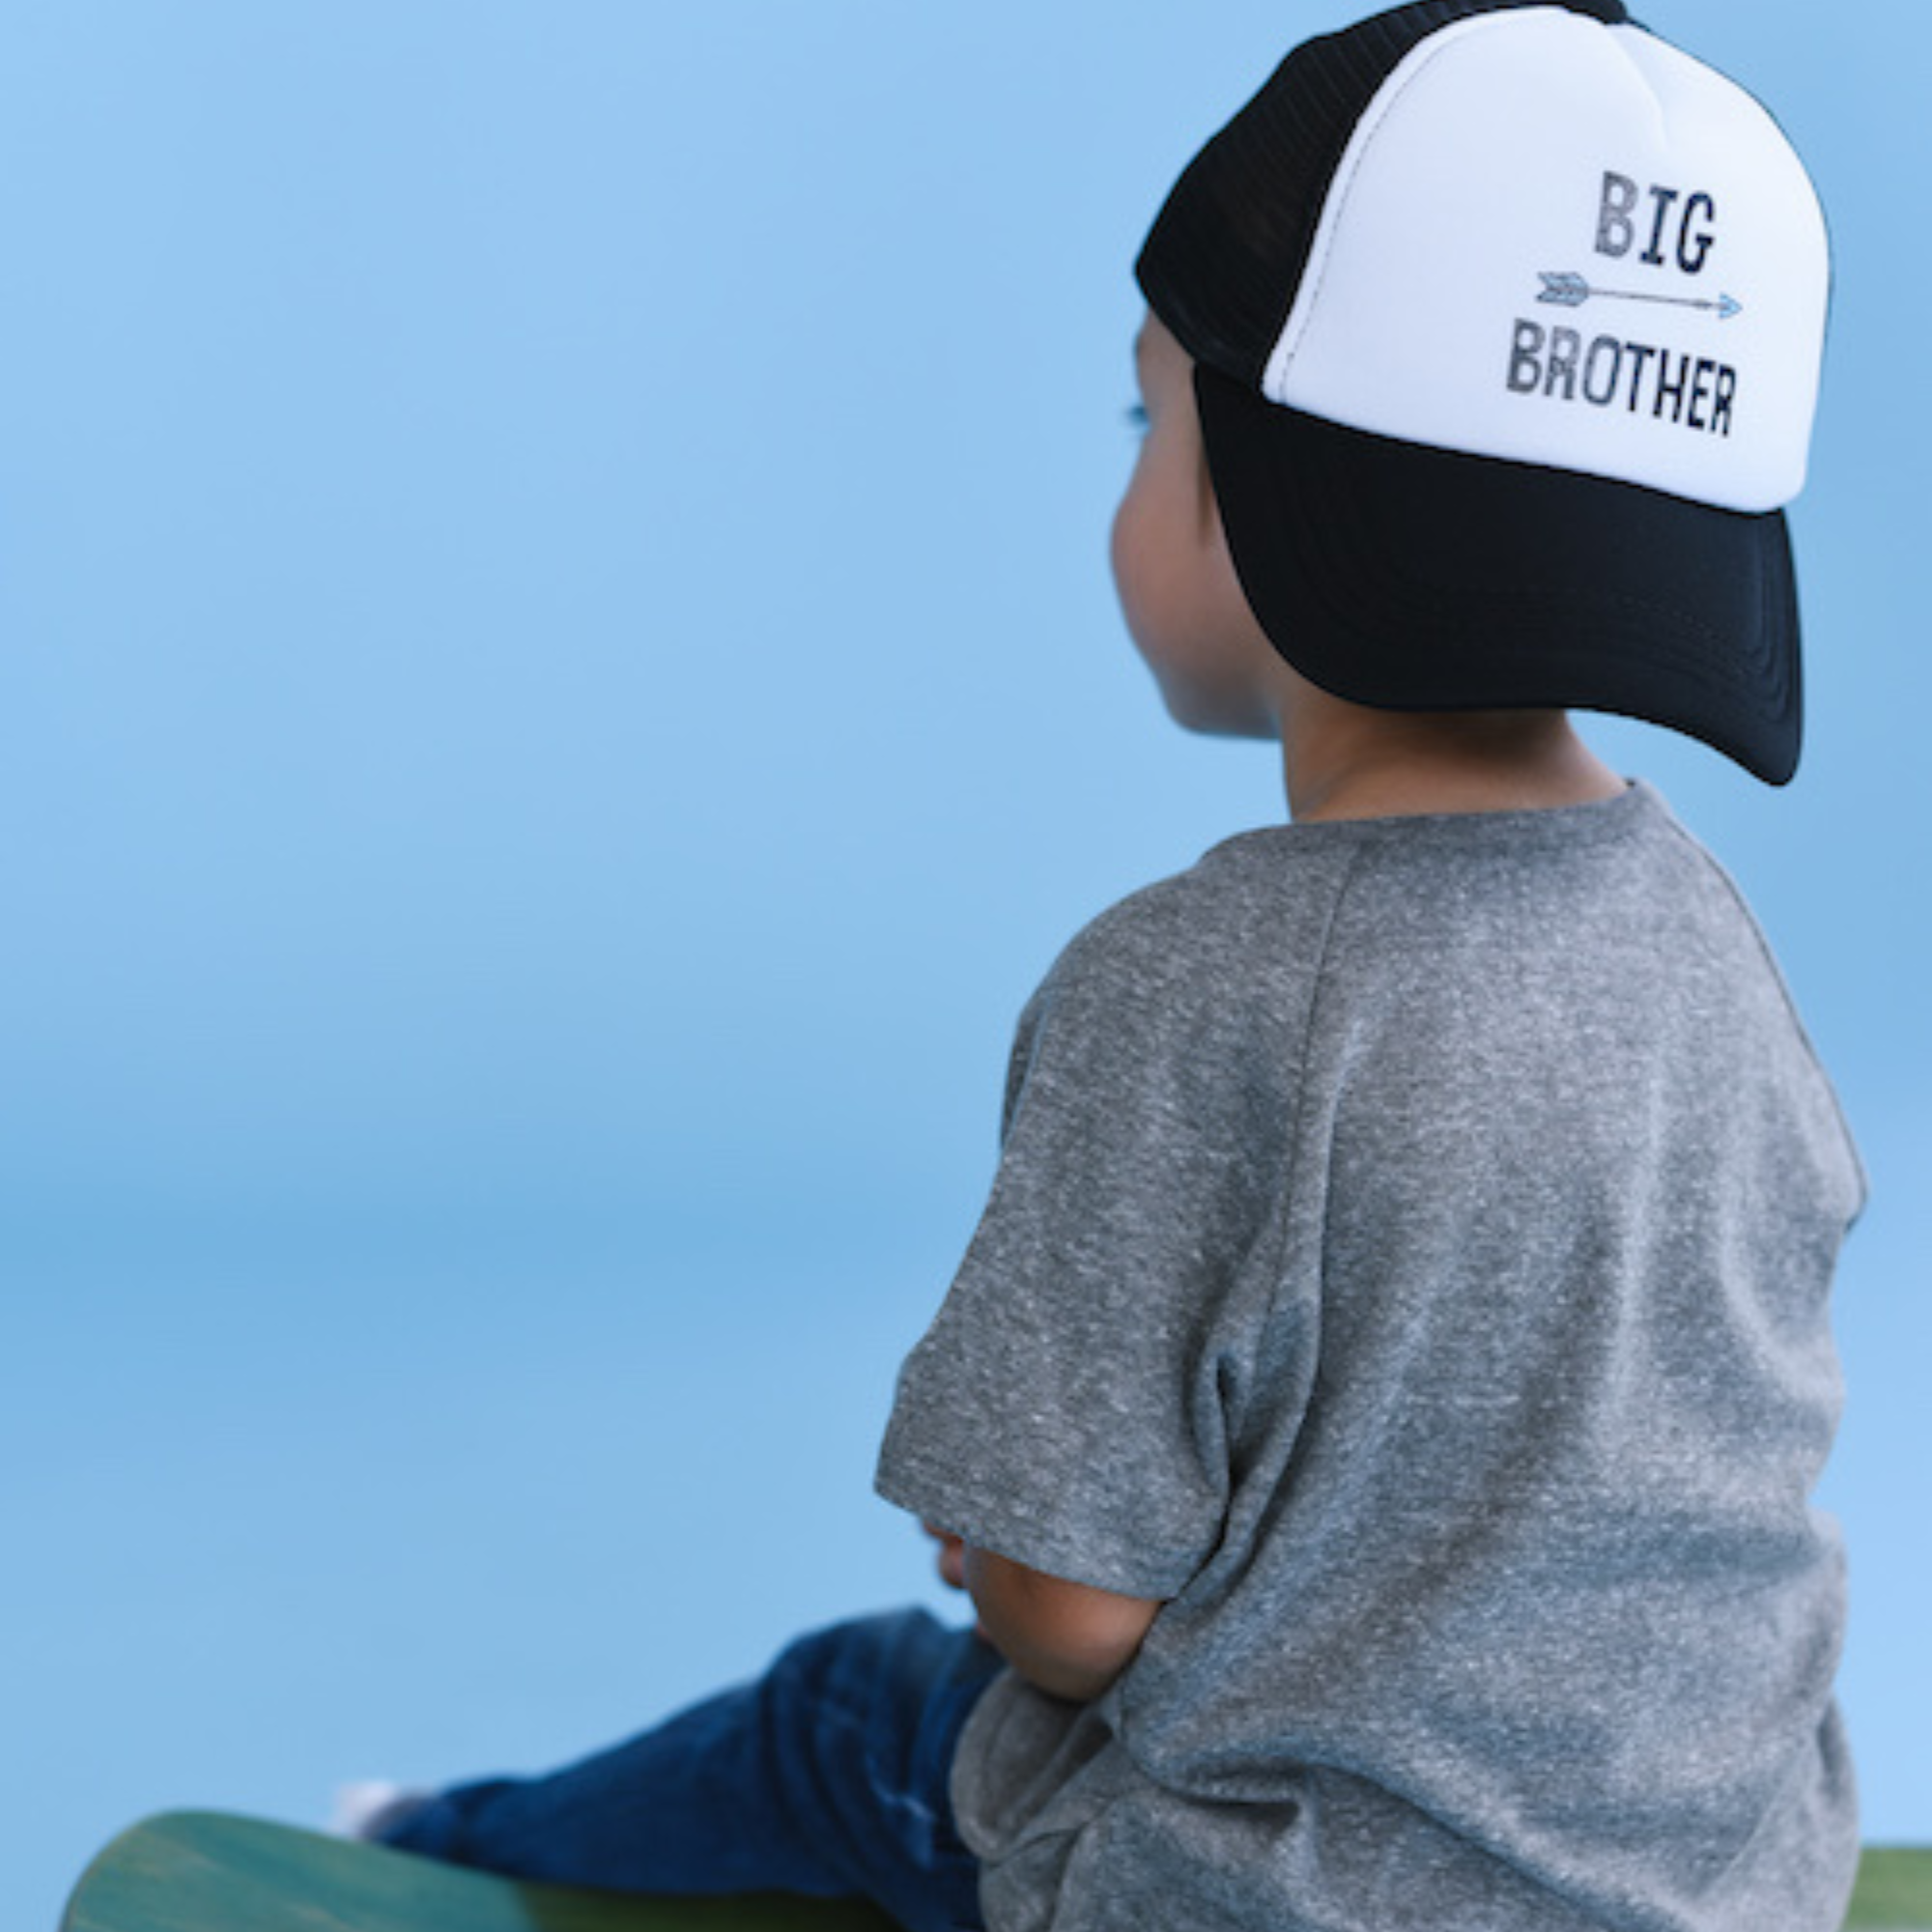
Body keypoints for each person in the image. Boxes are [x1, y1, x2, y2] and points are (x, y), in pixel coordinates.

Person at [345, 4, 1866, 1926]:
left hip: (1257, 1898)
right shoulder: (1708, 940)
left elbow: (1071, 1615)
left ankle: (417, 1850)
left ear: (1258, 497)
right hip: (1723, 1878)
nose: (1137, 465)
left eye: (1149, 418)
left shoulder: (1185, 990)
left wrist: (996, 1556)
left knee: (852, 1714)